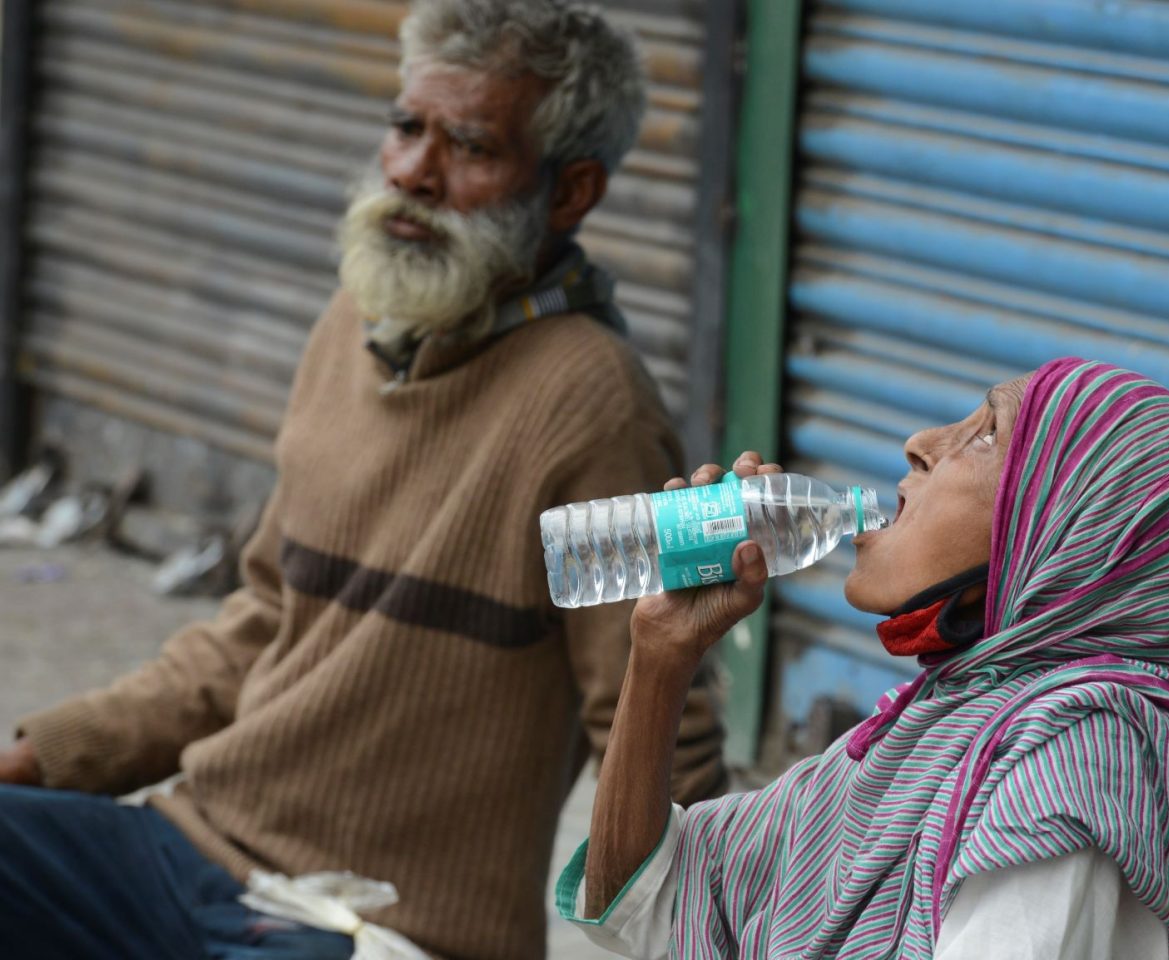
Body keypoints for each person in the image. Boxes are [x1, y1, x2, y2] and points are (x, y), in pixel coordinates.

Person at [0, 2, 726, 958]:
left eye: (469, 146)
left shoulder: (598, 407)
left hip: (376, 928)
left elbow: (660, 726)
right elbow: (260, 625)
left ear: (569, 191)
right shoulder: (357, 322)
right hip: (194, 853)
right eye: (405, 127)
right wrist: (46, 753)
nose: (413, 173)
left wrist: (730, 917)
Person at [561, 357, 1169, 959]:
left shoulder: (1079, 755)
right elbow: (646, 907)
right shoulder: (940, 729)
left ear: (1068, 531)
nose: (920, 445)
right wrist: (662, 654)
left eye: (985, 435)